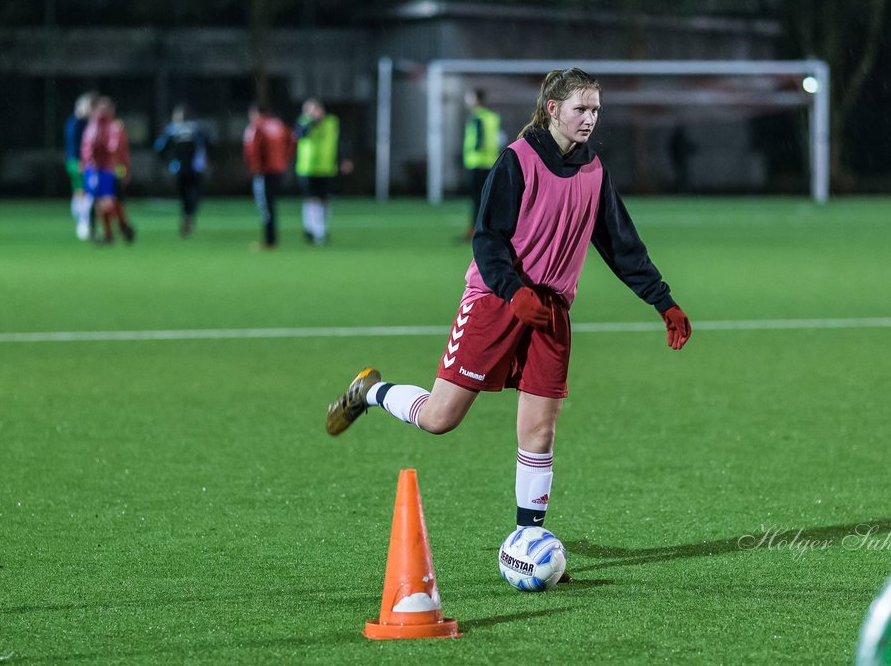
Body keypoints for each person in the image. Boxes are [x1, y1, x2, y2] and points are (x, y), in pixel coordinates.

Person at [324, 67, 691, 546]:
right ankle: (369, 392)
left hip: (550, 313)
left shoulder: (594, 170)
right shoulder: (517, 161)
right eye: (581, 109)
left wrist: (663, 302)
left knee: (539, 432)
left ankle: (527, 542)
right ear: (553, 109)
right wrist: (512, 290)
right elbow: (488, 239)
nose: (589, 119)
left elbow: (622, 246)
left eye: (596, 110)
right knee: (440, 419)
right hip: (498, 301)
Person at [294, 98, 351, 245]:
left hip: (327, 168)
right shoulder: (303, 122)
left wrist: (344, 158)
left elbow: (341, 140)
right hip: (307, 168)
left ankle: (316, 229)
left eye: (314, 109)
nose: (311, 113)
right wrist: (312, 121)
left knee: (325, 200)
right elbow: (301, 134)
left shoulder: (332, 122)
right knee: (312, 199)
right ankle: (316, 231)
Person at [80, 96, 136, 245]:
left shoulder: (114, 127)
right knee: (105, 201)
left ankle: (119, 228)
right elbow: (87, 148)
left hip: (111, 169)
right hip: (96, 170)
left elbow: (119, 149)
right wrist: (86, 164)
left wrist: (125, 168)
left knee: (109, 201)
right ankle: (118, 229)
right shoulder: (94, 125)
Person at [242, 104, 294, 250]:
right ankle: (271, 239)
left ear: (255, 113)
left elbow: (251, 150)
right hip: (278, 169)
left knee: (265, 205)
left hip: (263, 171)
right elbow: (292, 141)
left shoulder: (256, 127)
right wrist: (284, 159)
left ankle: (269, 240)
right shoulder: (279, 125)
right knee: (270, 204)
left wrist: (253, 168)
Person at [154, 104, 210, 237]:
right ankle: (189, 216)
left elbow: (159, 148)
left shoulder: (172, 130)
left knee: (184, 195)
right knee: (195, 194)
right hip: (195, 168)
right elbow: (210, 142)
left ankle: (187, 216)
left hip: (180, 169)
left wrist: (168, 163)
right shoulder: (197, 129)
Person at [462, 88, 502, 241]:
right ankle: (487, 230)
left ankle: (475, 230)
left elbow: (479, 140)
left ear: (476, 99)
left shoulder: (477, 117)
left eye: (470, 98)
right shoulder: (492, 117)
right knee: (487, 199)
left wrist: (474, 150)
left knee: (477, 200)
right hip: (490, 162)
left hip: (477, 162)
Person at [65, 93, 97, 240]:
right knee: (81, 191)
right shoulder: (75, 123)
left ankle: (84, 220)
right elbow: (74, 145)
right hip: (76, 161)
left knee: (86, 192)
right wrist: (79, 162)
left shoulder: (86, 123)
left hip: (85, 162)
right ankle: (82, 222)